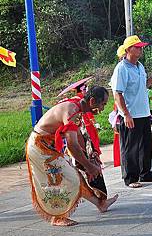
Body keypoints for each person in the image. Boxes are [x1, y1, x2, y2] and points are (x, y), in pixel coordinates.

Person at [25, 87, 118, 226]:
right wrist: (89, 166)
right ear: (92, 101)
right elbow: (72, 145)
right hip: (40, 148)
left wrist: (89, 157)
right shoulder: (73, 112)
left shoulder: (78, 105)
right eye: (103, 104)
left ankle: (100, 204)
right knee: (65, 179)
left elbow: (78, 137)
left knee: (74, 176)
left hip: (48, 146)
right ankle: (57, 217)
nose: (103, 108)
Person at [111, 35, 152, 188]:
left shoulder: (140, 66)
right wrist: (126, 114)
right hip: (131, 114)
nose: (140, 49)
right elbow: (117, 94)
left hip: (144, 113)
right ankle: (130, 178)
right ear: (128, 50)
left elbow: (144, 85)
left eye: (141, 47)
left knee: (145, 146)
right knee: (130, 148)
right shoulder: (121, 69)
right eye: (137, 47)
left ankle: (145, 174)